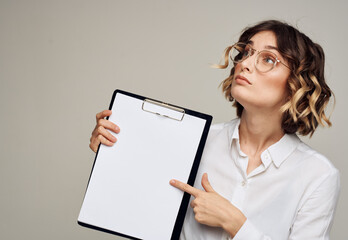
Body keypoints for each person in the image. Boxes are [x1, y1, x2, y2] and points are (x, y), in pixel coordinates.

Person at [89, 20, 340, 239]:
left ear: (298, 83)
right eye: (246, 52)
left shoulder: (318, 175)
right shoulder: (193, 139)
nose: (245, 64)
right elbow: (140, 204)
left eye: (267, 59)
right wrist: (113, 150)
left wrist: (235, 224)